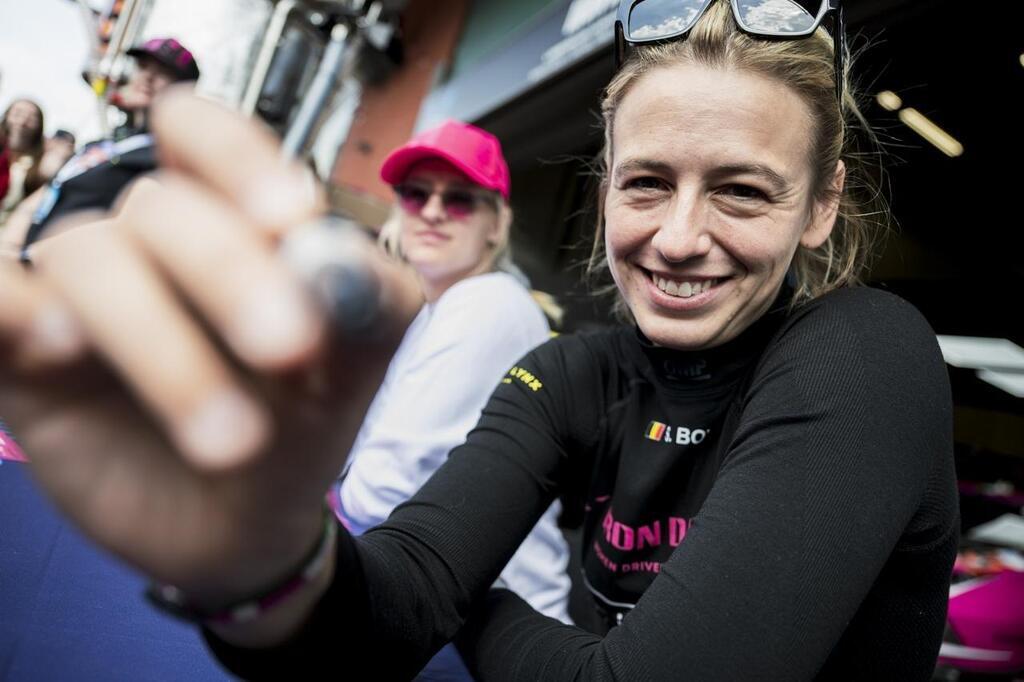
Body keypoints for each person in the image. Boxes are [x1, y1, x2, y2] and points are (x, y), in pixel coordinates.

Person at [0, 1, 958, 680]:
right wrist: (271, 565)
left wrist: (464, 602)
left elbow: (434, 604)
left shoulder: (868, 351)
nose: (677, 236)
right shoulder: (573, 372)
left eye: (743, 190)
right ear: (605, 186)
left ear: (822, 205)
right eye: (646, 182)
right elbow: (395, 597)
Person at [333, 120, 571, 679]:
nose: (433, 211)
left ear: (496, 226)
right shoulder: (437, 308)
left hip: (492, 644)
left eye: (460, 200)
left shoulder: (486, 304)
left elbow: (378, 492)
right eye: (417, 194)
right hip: (449, 620)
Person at [2, 38, 199, 254]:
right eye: (142, 66)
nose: (147, 77)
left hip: (63, 271)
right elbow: (45, 194)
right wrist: (9, 247)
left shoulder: (164, 156)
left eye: (164, 72)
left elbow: (125, 228)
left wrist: (28, 258)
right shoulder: (103, 144)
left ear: (182, 89)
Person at [0, 99, 47, 227]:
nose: (22, 121)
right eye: (17, 114)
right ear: (7, 116)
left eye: (31, 118)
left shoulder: (40, 164)